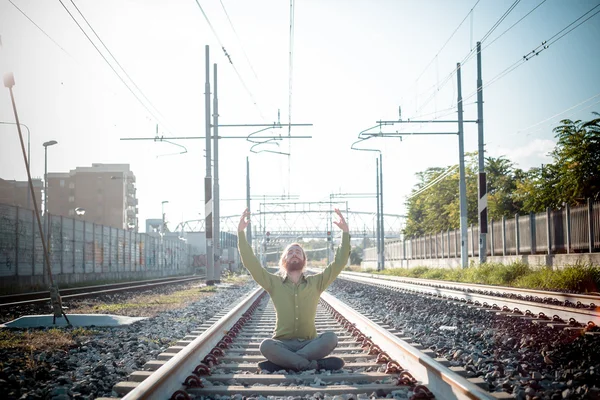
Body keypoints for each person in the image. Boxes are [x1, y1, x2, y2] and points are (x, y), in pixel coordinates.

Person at [237, 207, 351, 372]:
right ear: (284, 260)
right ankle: (315, 365)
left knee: (331, 338)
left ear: (304, 260)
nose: (294, 254)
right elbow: (251, 263)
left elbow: (339, 262)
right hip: (282, 344)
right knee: (266, 346)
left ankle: (283, 363)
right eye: (290, 252)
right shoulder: (273, 283)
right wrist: (241, 233)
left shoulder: (316, 282)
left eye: (298, 252)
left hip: (309, 343)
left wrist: (345, 233)